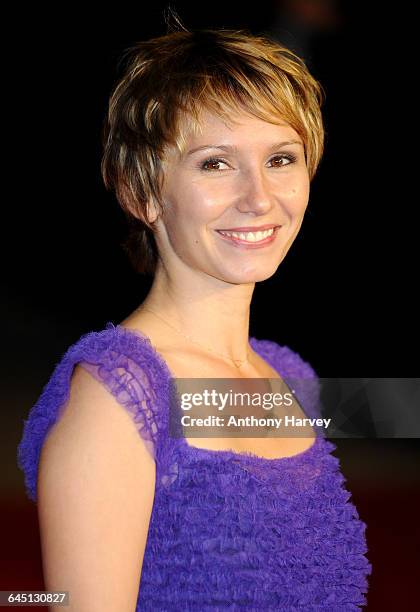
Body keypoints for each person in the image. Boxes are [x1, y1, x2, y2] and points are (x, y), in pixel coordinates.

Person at [17, 21, 372, 611]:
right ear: (141, 194)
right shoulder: (120, 395)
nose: (259, 197)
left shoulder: (287, 376)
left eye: (281, 158)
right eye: (215, 164)